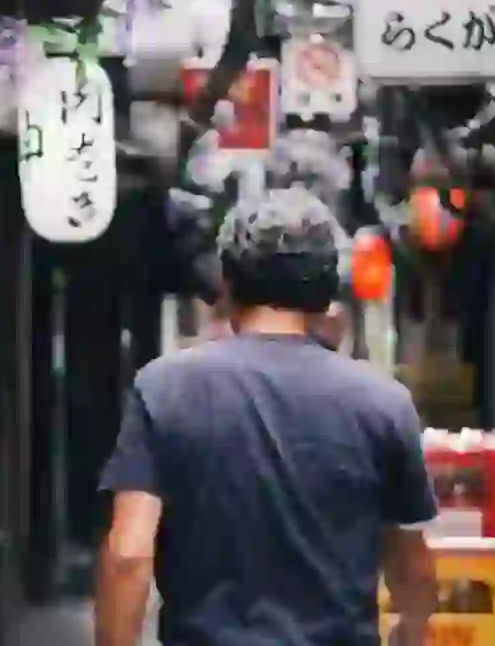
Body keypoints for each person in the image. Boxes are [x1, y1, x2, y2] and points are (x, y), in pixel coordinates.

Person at [95, 189, 438, 646]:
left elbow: (128, 555)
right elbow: (409, 563)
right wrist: (410, 630)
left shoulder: (163, 389)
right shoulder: (383, 403)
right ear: (324, 293)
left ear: (227, 283)